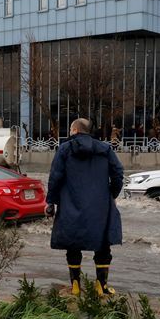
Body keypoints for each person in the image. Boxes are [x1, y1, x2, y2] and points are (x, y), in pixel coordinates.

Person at [46, 118, 124, 297]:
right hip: (101, 206)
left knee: (73, 245)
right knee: (103, 245)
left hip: (71, 204)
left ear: (74, 130)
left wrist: (51, 202)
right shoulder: (105, 149)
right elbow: (118, 174)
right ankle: (101, 287)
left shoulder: (64, 149)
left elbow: (55, 177)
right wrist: (111, 194)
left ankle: (75, 286)